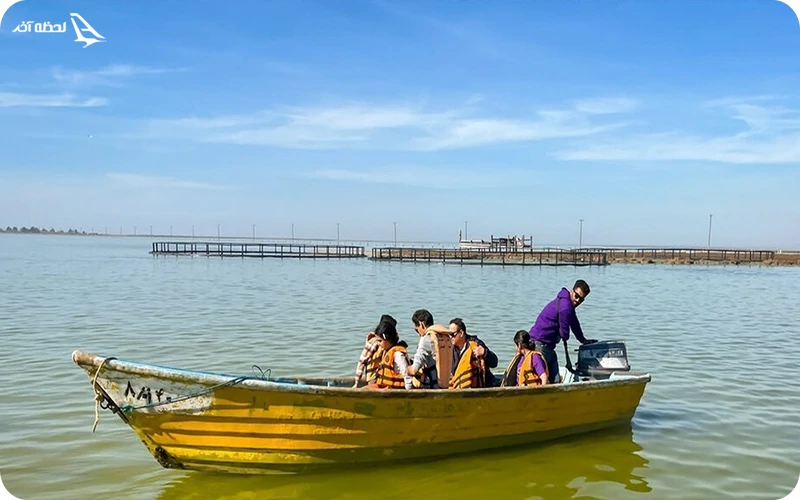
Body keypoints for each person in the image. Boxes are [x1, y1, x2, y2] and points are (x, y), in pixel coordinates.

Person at [528, 279, 597, 383]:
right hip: (539, 344)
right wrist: (564, 335)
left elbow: (574, 323)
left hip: (547, 345)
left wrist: (582, 340)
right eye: (577, 296)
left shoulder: (567, 303)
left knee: (555, 380)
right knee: (540, 380)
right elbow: (564, 334)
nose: (578, 300)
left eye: (581, 299)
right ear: (571, 291)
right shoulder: (566, 307)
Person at [405, 309, 453, 388]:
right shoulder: (445, 337)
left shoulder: (426, 339)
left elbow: (414, 370)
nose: (418, 334)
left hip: (431, 387)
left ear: (421, 324)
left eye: (416, 330)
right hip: (444, 385)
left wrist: (408, 369)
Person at [448, 318, 498, 388]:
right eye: (448, 334)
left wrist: (484, 352)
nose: (450, 337)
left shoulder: (475, 344)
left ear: (461, 333)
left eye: (452, 334)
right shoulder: (451, 349)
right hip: (461, 385)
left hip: (483, 386)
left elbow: (494, 363)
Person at [353, 314, 396, 388]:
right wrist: (356, 383)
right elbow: (362, 361)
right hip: (374, 379)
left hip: (385, 380)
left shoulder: (390, 343)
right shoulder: (373, 342)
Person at [373, 321, 415, 389]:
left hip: (394, 389)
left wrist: (408, 393)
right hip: (385, 387)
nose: (378, 344)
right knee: (365, 389)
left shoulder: (398, 354)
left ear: (388, 339)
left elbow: (407, 377)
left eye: (380, 341)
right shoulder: (387, 351)